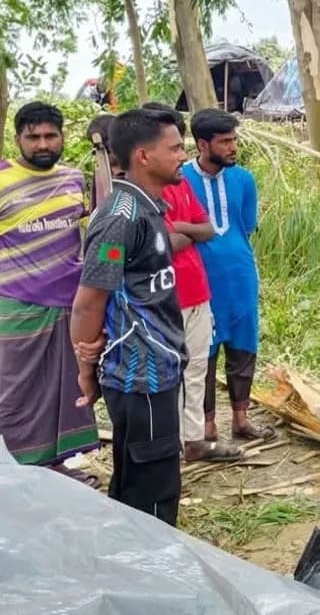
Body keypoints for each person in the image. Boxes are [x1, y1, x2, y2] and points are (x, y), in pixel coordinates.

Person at [71, 108, 187, 525]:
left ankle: (132, 566)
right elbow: (89, 301)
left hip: (155, 371)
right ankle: (153, 573)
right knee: (153, 493)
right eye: (174, 148)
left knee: (137, 481)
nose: (182, 154)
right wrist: (87, 368)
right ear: (143, 155)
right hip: (142, 376)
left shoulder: (147, 207)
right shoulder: (121, 220)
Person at [0, 102, 99, 482]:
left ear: (62, 138)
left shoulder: (74, 179)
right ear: (18, 139)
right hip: (16, 305)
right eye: (34, 137)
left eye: (50, 136)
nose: (43, 144)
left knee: (63, 390)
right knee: (15, 392)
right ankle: (13, 472)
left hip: (70, 306)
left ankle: (53, 468)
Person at [141, 102, 239, 463]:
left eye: (181, 145)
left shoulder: (180, 185)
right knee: (167, 373)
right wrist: (187, 233)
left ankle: (194, 440)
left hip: (198, 292)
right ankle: (167, 443)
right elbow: (160, 245)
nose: (181, 154)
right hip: (165, 297)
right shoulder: (141, 194)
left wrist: (181, 230)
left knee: (196, 368)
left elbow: (207, 229)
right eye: (175, 147)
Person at [181, 109, 276, 443]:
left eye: (234, 139)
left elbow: (246, 226)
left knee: (243, 343)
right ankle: (207, 424)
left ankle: (241, 418)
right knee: (203, 348)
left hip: (240, 273)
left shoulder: (244, 180)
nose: (233, 147)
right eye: (225, 142)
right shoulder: (180, 180)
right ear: (203, 144)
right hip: (200, 280)